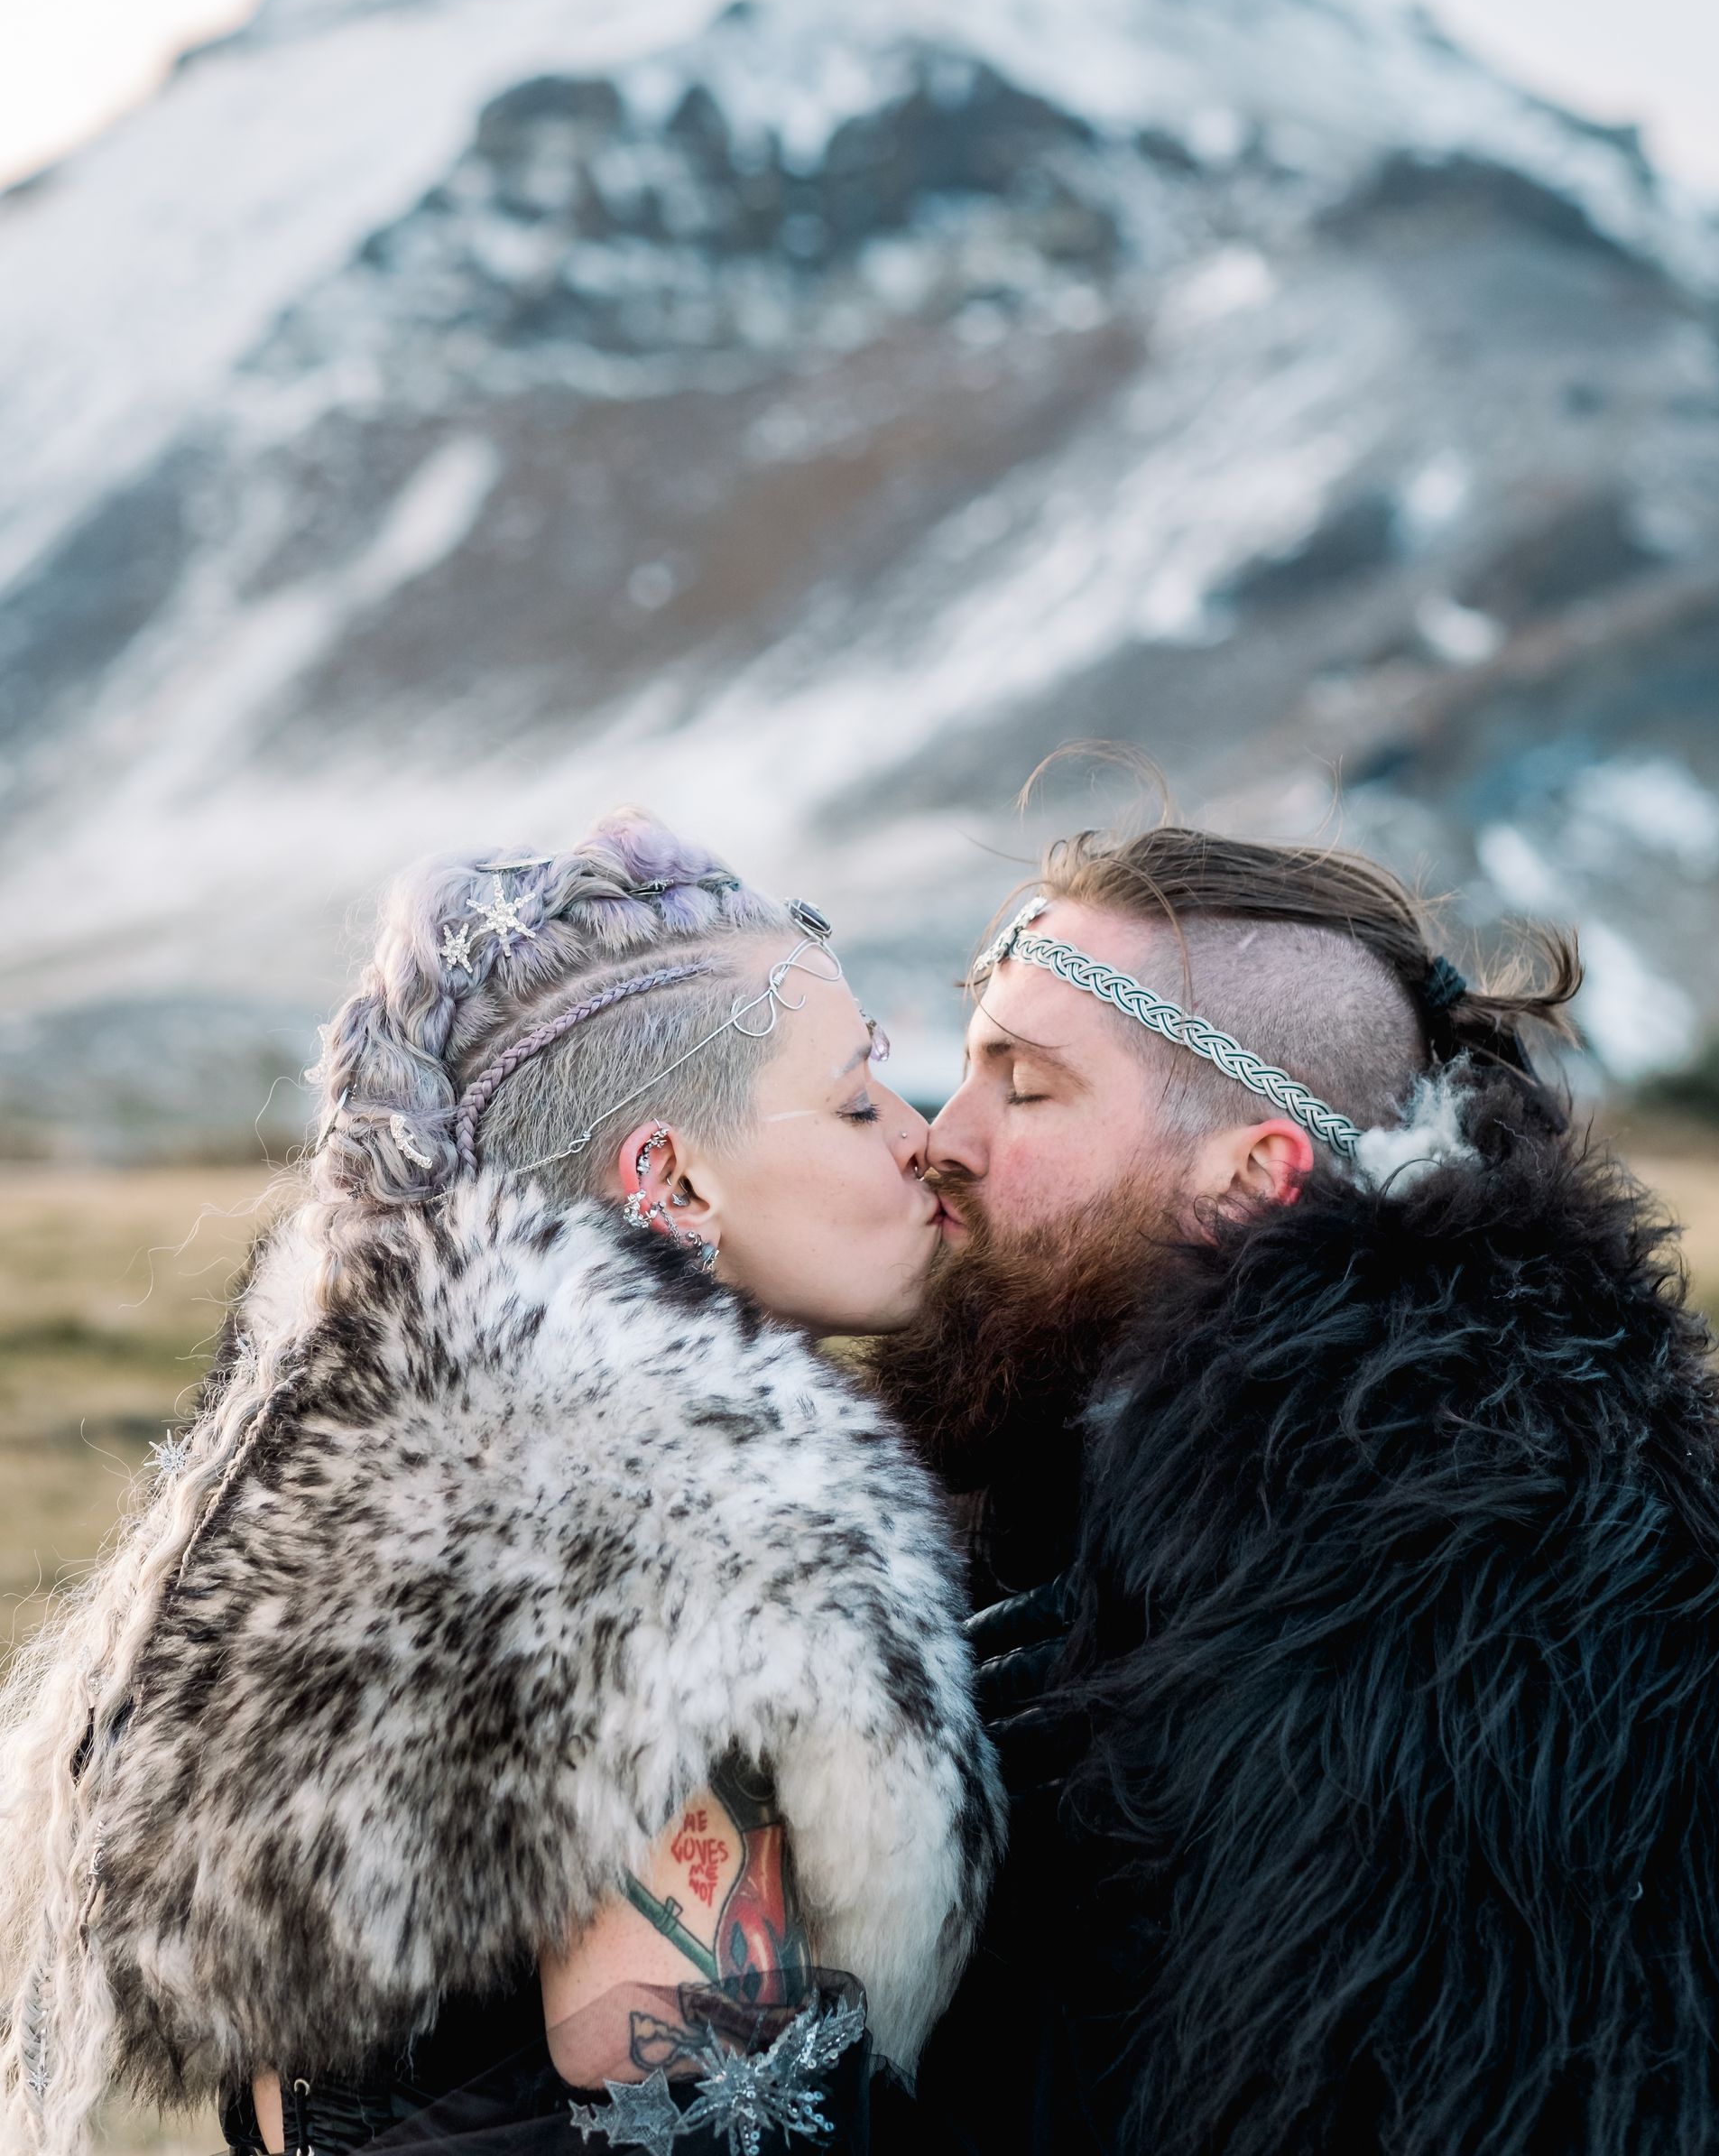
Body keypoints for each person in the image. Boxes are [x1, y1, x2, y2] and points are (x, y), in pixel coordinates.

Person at [0, 813, 1003, 2156]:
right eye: (859, 1098)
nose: (920, 1142)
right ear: (668, 1173)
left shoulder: (402, 1494)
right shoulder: (679, 1550)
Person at [881, 820, 1719, 2156]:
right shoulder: (1108, 1477)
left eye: (1026, 1089)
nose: (944, 1140)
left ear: (1253, 1181)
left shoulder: (1461, 1620)